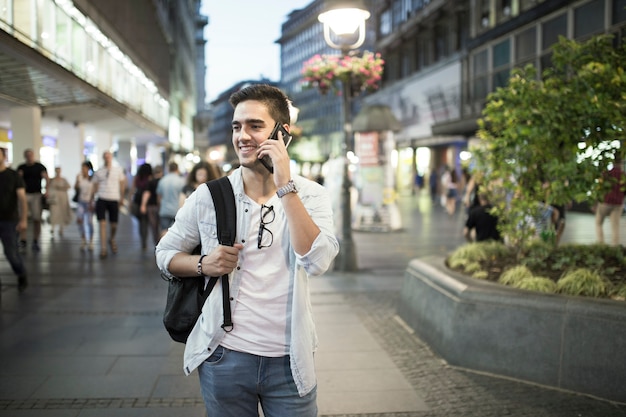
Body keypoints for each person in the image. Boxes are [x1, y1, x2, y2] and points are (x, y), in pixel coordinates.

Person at [156, 84, 339, 417]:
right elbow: (165, 254)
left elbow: (316, 261)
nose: (242, 136)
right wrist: (203, 264)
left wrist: (286, 187)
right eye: (237, 127)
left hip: (289, 360)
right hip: (225, 356)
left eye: (255, 126)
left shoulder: (311, 195)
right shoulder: (209, 196)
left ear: (283, 134)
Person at [0, 147, 29, 292]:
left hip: (9, 221)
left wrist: (23, 219)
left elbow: (22, 200)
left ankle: (21, 273)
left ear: (4, 156)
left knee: (11, 253)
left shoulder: (13, 176)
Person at [91, 150, 127, 258]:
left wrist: (122, 197)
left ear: (111, 158)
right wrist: (92, 198)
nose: (107, 159)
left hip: (113, 198)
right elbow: (95, 185)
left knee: (114, 224)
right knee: (102, 223)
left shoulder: (118, 170)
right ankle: (103, 248)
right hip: (101, 198)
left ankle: (111, 238)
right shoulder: (99, 171)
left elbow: (122, 184)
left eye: (109, 157)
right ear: (103, 158)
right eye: (105, 157)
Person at [17, 148, 49, 252]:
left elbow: (46, 178)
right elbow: (17, 180)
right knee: (23, 217)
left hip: (36, 194)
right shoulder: (21, 167)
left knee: (36, 218)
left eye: (31, 155)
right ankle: (23, 239)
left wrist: (47, 190)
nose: (29, 157)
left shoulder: (40, 167)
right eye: (27, 155)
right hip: (25, 195)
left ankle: (35, 240)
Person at [595, 156, 626, 246]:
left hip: (605, 202)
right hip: (617, 204)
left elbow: (599, 189)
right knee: (615, 227)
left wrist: (595, 202)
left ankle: (601, 244)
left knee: (598, 223)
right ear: (621, 163)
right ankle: (614, 247)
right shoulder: (623, 176)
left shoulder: (606, 174)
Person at [156, 161, 185, 235]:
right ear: (177, 169)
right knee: (176, 233)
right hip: (177, 211)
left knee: (164, 231)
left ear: (168, 169)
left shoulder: (162, 180)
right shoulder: (181, 181)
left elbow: (159, 196)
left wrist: (159, 207)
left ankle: (163, 246)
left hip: (164, 210)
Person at [130, 163, 153, 250]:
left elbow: (132, 189)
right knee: (145, 222)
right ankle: (145, 240)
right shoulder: (150, 178)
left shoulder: (138, 177)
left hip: (137, 200)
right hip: (148, 202)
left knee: (141, 222)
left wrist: (130, 201)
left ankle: (143, 240)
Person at [140, 165, 163, 248]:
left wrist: (143, 205)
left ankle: (157, 244)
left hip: (151, 207)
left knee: (154, 227)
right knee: (163, 227)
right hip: (162, 207)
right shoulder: (163, 181)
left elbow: (146, 194)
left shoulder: (150, 182)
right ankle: (162, 244)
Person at [75, 161, 95, 251]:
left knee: (90, 222)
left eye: (84, 168)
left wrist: (91, 202)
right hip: (81, 201)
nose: (83, 170)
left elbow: (94, 191)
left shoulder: (92, 179)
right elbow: (76, 188)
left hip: (89, 202)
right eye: (82, 168)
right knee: (79, 220)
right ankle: (83, 239)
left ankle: (91, 240)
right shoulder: (80, 178)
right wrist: (77, 180)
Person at [48, 166, 72, 239]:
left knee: (62, 212)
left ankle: (61, 228)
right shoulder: (52, 180)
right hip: (55, 198)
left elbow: (68, 186)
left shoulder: (63, 179)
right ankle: (52, 227)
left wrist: (60, 188)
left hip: (62, 198)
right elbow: (48, 187)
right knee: (54, 212)